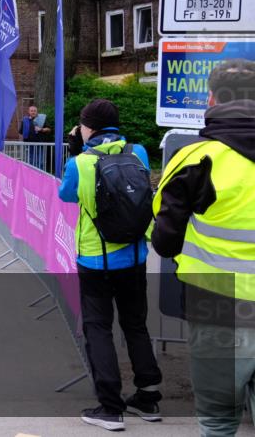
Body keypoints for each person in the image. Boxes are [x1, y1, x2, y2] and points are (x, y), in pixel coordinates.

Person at [152, 59, 255, 436]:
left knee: (218, 421)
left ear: (211, 98)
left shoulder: (194, 159)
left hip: (217, 308)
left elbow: (164, 241)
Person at [57, 98, 161, 432]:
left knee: (98, 328)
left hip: (95, 257)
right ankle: (148, 397)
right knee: (135, 324)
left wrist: (75, 153)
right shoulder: (139, 152)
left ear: (88, 126)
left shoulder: (81, 162)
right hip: (134, 254)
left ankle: (110, 407)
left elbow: (66, 195)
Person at [19, 104, 50, 170]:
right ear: (29, 112)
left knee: (40, 162)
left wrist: (41, 129)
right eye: (31, 111)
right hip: (29, 145)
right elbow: (21, 131)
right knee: (30, 162)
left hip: (40, 144)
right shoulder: (25, 120)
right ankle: (31, 176)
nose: (33, 112)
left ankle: (39, 176)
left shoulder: (42, 119)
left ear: (37, 112)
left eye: (34, 111)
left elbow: (49, 129)